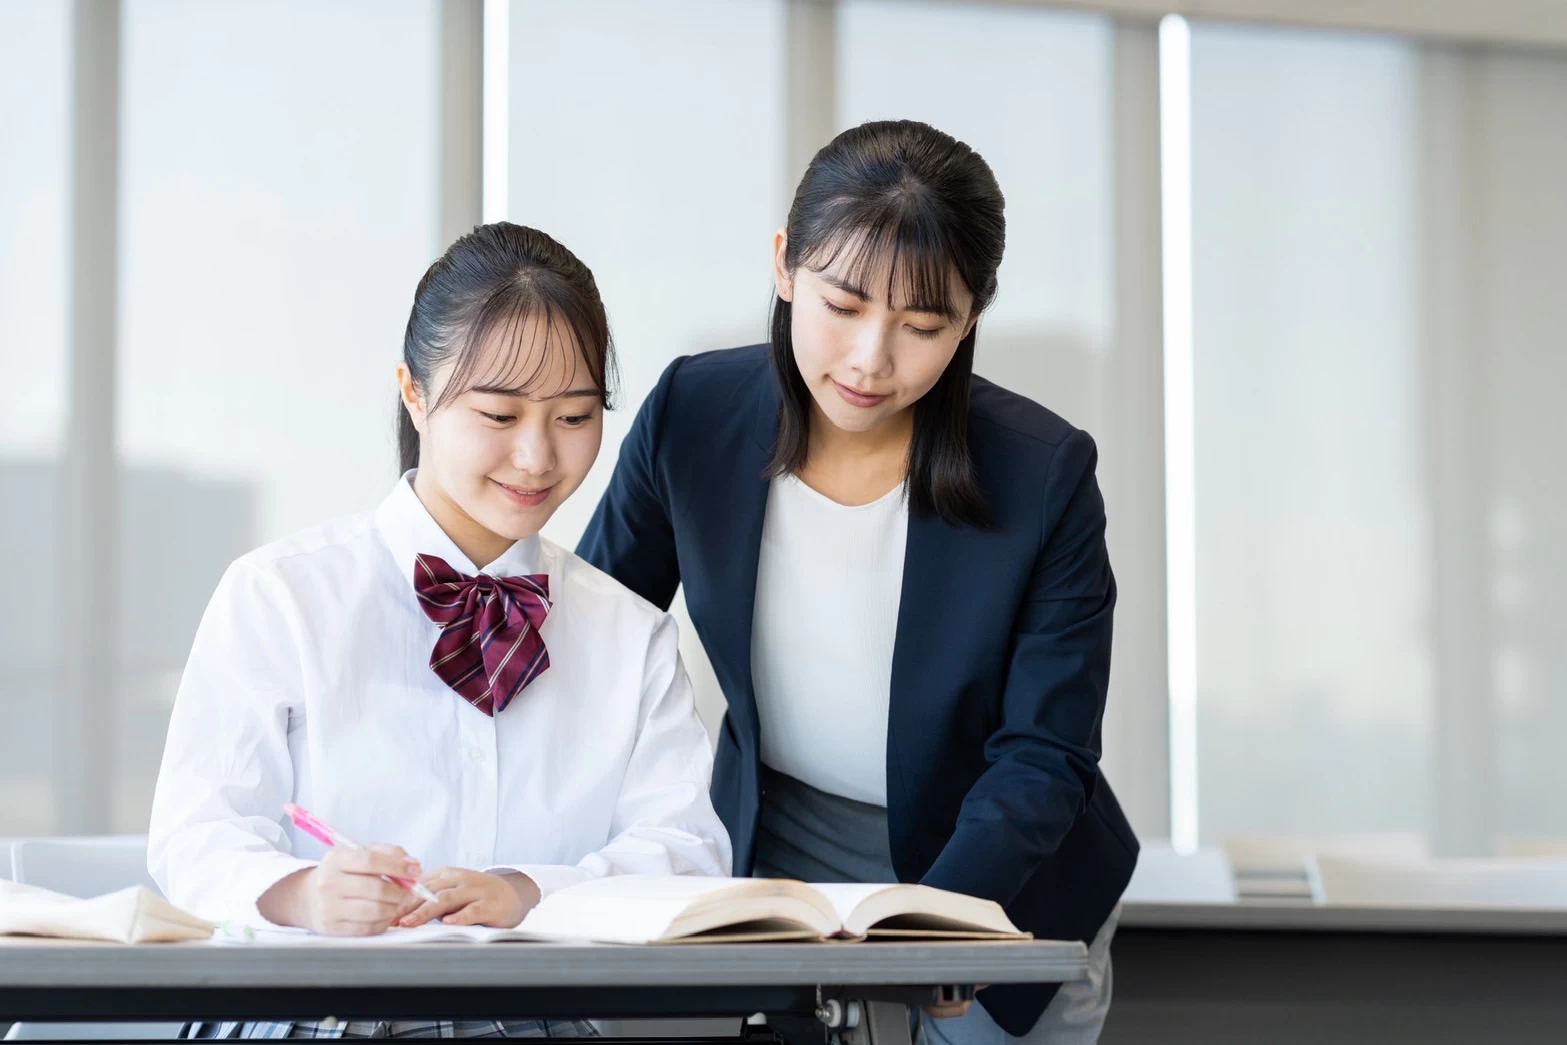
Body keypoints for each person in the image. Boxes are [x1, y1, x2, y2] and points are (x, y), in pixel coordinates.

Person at [578, 120, 1137, 1044]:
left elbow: (1045, 752)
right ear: (784, 265)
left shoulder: (1042, 473)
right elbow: (593, 640)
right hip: (779, 833)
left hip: (1000, 853)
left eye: (923, 326)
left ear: (969, 319)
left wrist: (937, 921)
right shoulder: (692, 414)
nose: (871, 359)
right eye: (841, 304)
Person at [149, 222, 731, 1039]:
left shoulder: (631, 634)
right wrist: (302, 893)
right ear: (414, 392)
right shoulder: (281, 595)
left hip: (540, 1022)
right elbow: (195, 836)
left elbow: (685, 851)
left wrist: (528, 890)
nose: (536, 457)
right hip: (312, 1015)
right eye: (499, 412)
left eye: (573, 415)